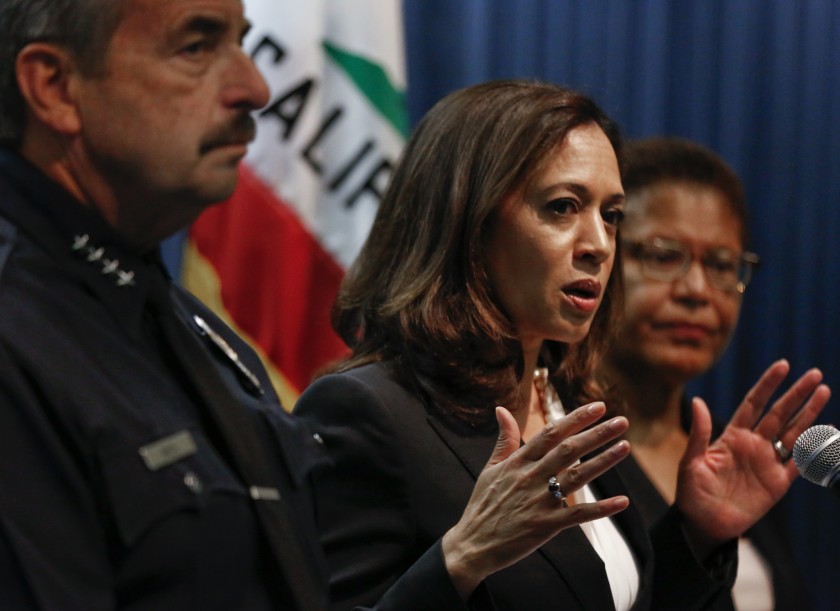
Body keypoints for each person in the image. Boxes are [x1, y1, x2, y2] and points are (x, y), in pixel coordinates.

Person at [293, 80, 831, 610]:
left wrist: (696, 534)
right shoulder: (367, 411)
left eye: (611, 215)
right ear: (469, 222)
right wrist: (460, 560)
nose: (598, 244)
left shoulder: (572, 405)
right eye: (562, 207)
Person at [0, 1, 331, 608]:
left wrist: (454, 568)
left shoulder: (191, 322)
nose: (254, 88)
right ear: (55, 87)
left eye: (240, 43)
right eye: (196, 47)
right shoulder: (15, 334)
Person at [599, 136, 813, 610]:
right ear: (599, 255)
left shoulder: (733, 452)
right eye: (662, 255)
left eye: (721, 264)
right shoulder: (553, 446)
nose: (697, 290)